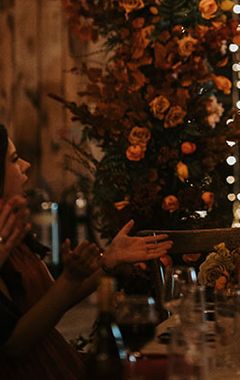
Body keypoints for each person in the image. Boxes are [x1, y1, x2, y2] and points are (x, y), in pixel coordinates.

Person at [0, 123, 173, 379]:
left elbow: (49, 302)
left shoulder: (11, 233)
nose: (25, 165)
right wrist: (72, 278)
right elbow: (14, 346)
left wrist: (109, 259)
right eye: (14, 160)